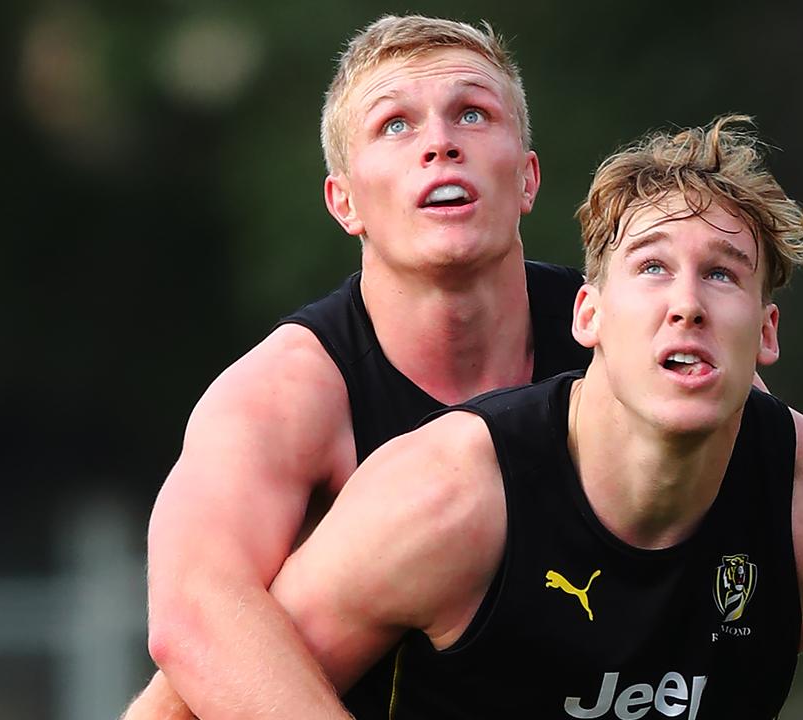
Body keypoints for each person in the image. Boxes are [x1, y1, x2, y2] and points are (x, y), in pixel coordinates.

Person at [262, 115, 803, 719]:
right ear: (589, 315)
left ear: (766, 333)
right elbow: (195, 703)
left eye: (722, 273)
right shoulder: (446, 502)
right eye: (650, 267)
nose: (687, 303)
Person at [124, 15, 591, 719]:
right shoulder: (285, 392)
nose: (440, 143)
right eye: (395, 126)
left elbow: (802, 513)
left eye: (472, 113)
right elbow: (193, 620)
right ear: (345, 202)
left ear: (527, 178)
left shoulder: (624, 341)